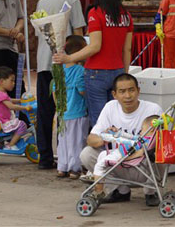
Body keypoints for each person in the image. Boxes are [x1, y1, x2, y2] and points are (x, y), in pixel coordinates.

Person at [54, 0, 133, 127]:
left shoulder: (95, 13)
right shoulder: (126, 16)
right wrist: (124, 74)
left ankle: (102, 151)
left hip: (96, 73)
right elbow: (127, 49)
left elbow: (95, 46)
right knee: (117, 118)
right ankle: (115, 150)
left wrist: (70, 58)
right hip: (118, 71)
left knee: (99, 121)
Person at [79, 73, 162, 206]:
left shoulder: (153, 109)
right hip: (119, 161)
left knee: (161, 152)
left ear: (138, 91)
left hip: (143, 165)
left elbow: (162, 139)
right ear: (114, 94)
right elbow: (91, 139)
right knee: (87, 154)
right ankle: (119, 191)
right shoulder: (110, 107)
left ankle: (151, 192)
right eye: (122, 92)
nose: (128, 96)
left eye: (131, 90)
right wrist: (106, 139)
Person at [36, 0, 86, 170]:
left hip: (43, 63)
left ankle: (45, 158)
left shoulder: (42, 2)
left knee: (45, 112)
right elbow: (79, 33)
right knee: (68, 112)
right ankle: (67, 159)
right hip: (66, 64)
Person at [89, 114, 159, 203]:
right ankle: (96, 176)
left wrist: (118, 140)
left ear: (151, 129)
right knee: (103, 154)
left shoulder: (146, 142)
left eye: (142, 129)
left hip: (122, 155)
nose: (141, 131)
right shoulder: (146, 139)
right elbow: (132, 137)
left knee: (100, 165)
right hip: (122, 152)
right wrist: (119, 133)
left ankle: (99, 190)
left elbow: (140, 151)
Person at [54, 35, 89, 179]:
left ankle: (62, 167)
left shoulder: (59, 70)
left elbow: (55, 92)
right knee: (76, 141)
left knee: (63, 141)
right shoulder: (80, 70)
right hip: (77, 112)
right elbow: (81, 91)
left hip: (63, 112)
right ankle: (75, 168)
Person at [0, 66, 32, 151]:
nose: (13, 83)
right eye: (11, 80)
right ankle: (10, 145)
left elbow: (10, 100)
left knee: (19, 124)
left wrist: (21, 100)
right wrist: (24, 108)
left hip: (2, 122)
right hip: (5, 123)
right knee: (22, 125)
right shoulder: (1, 95)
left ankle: (12, 142)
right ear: (1, 81)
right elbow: (11, 106)